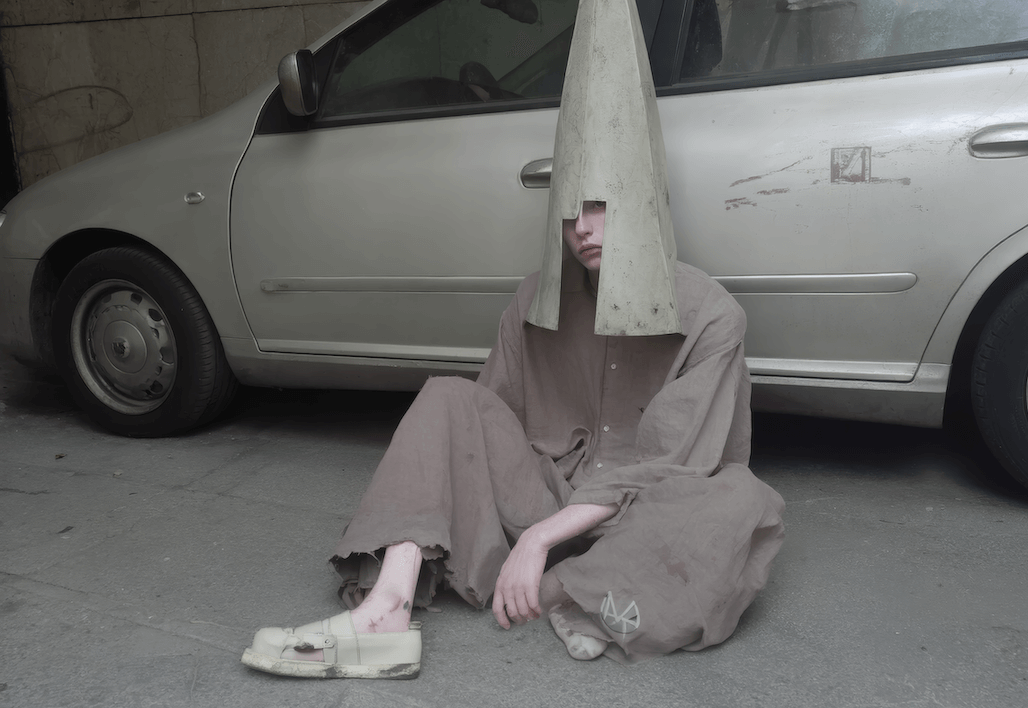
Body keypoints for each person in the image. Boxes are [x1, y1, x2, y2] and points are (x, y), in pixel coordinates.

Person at [240, 0, 785, 679]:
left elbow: (674, 466)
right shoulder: (534, 298)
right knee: (448, 397)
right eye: (570, 210)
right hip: (544, 491)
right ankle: (385, 609)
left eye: (601, 205)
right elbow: (483, 424)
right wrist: (529, 518)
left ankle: (568, 592)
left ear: (644, 207)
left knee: (741, 501)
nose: (582, 228)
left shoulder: (710, 315)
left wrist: (537, 543)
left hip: (645, 515)